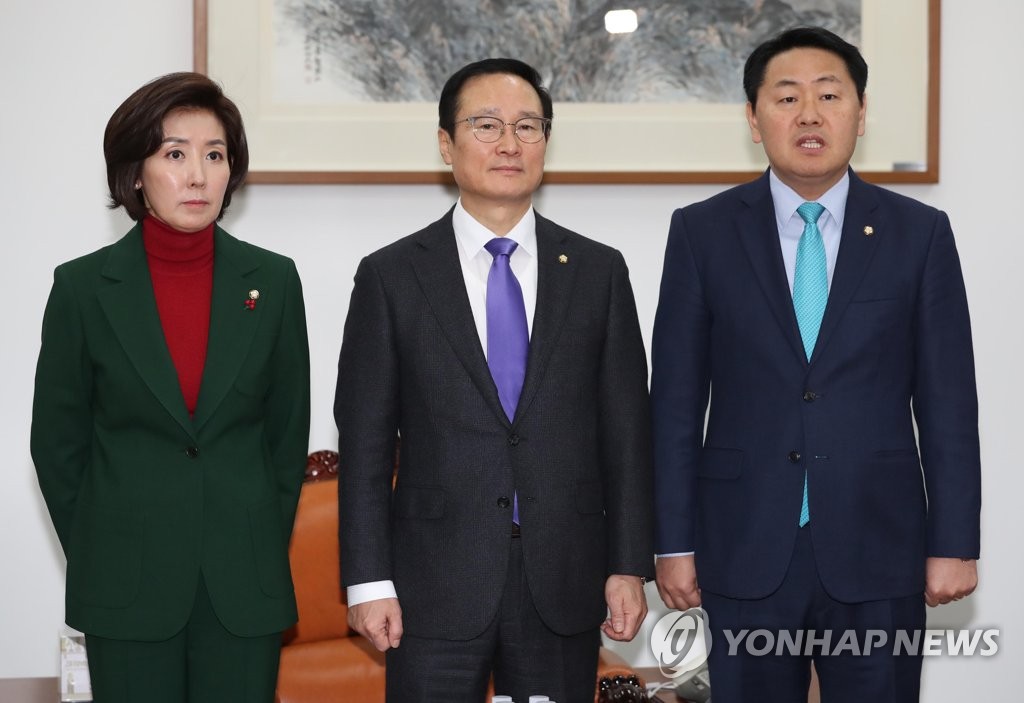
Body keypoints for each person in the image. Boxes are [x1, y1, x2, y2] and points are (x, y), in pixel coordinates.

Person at [651, 27, 980, 703]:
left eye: (829, 95)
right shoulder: (702, 232)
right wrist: (672, 541)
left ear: (860, 114)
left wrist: (954, 541)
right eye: (787, 97)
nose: (809, 114)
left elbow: (948, 402)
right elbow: (675, 404)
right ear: (754, 118)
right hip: (744, 542)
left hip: (879, 544)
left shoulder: (919, 234)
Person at [334, 58, 654, 702]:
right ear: (446, 143)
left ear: (545, 142)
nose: (509, 143)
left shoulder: (598, 272)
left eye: (527, 126)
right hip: (431, 583)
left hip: (564, 577)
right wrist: (368, 581)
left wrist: (627, 565)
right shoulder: (392, 276)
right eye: (486, 125)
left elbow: (626, 434)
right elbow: (365, 445)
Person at [31, 72, 310, 703]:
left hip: (242, 584)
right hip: (125, 582)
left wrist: (256, 542)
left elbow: (285, 439)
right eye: (175, 154)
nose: (198, 176)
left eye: (215, 155)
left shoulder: (273, 282)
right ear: (136, 174)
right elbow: (57, 445)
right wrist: (106, 547)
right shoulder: (82, 289)